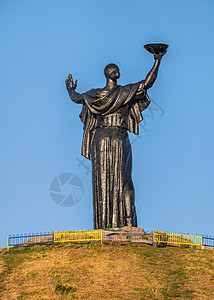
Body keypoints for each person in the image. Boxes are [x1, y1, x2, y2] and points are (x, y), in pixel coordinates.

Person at [66, 52, 165, 229]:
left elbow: (76, 97)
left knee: (110, 180)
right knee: (119, 180)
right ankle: (121, 223)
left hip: (102, 139)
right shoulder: (123, 92)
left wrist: (70, 89)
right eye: (115, 70)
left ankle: (110, 224)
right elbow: (147, 83)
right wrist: (157, 61)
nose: (117, 71)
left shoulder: (96, 95)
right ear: (110, 74)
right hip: (118, 137)